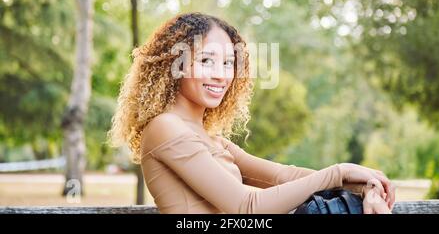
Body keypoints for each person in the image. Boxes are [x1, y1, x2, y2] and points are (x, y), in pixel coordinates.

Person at [108, 12, 395, 214]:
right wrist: (340, 172)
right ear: (177, 65)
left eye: (228, 64)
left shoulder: (210, 138)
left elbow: (283, 176)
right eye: (207, 61)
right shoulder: (165, 127)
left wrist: (365, 186)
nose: (221, 75)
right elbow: (245, 207)